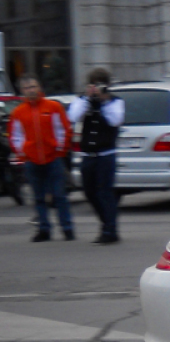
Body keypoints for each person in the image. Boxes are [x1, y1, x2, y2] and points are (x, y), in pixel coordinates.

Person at [8, 75, 73, 241]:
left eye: (33, 86)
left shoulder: (53, 106)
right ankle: (44, 229)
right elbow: (15, 136)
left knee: (60, 196)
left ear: (39, 87)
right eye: (27, 88)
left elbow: (63, 130)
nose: (31, 90)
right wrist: (23, 154)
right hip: (32, 161)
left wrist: (60, 150)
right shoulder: (18, 112)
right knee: (38, 198)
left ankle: (67, 228)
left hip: (53, 159)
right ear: (22, 91)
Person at [66, 68, 124, 243]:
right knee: (90, 192)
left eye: (100, 85)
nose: (97, 88)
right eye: (93, 84)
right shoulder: (82, 101)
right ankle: (107, 223)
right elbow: (73, 116)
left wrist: (104, 102)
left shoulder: (115, 102)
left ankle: (110, 230)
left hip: (106, 154)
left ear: (107, 86)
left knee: (104, 193)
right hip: (88, 155)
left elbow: (116, 120)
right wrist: (86, 98)